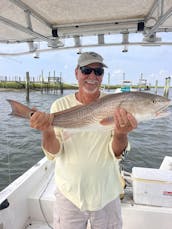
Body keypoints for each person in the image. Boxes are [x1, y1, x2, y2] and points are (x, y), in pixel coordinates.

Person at [30, 51, 137, 229]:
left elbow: (117, 153)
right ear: (76, 73)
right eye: (86, 70)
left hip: (106, 194)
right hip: (69, 195)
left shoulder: (115, 104)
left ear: (102, 76)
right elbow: (54, 152)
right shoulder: (59, 106)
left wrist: (120, 133)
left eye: (98, 72)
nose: (92, 76)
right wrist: (47, 130)